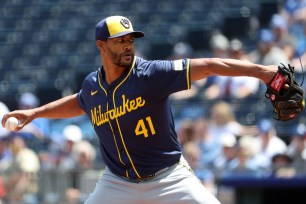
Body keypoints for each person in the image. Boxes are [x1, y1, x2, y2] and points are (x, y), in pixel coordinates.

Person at [2, 15, 279, 204]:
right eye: (120, 40)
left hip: (169, 176)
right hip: (117, 183)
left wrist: (263, 72)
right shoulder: (92, 86)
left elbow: (206, 65)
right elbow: (79, 101)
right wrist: (34, 113)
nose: (128, 45)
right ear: (101, 45)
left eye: (130, 40)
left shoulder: (151, 74)